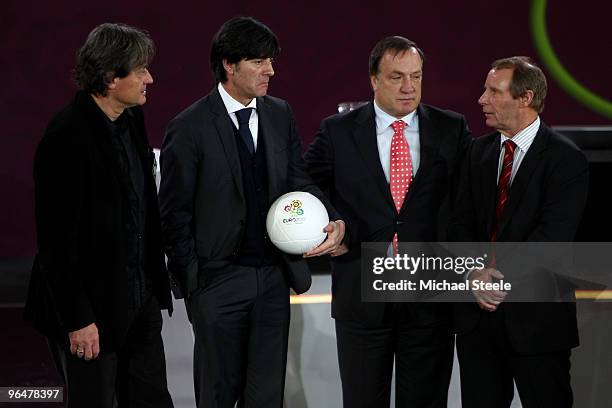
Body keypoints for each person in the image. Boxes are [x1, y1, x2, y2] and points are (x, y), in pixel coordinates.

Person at [158, 16, 344, 408]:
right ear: (229, 64)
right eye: (259, 61)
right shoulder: (189, 127)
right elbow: (174, 214)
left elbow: (299, 180)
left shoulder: (279, 114)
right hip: (217, 282)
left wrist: (331, 218)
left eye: (271, 61)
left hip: (274, 280)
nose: (270, 70)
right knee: (219, 393)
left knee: (267, 396)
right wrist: (195, 285)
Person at [304, 36, 471, 407]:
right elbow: (305, 183)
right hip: (362, 296)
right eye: (397, 77)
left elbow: (469, 201)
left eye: (416, 76)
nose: (409, 88)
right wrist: (333, 221)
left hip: (430, 299)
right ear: (373, 80)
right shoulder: (338, 131)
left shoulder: (451, 128)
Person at [24, 23, 174, 408]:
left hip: (138, 302)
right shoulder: (65, 138)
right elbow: (56, 245)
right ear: (110, 78)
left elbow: (139, 208)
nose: (150, 79)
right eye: (140, 70)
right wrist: (78, 320)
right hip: (89, 314)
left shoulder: (130, 119)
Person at [448, 56, 589, 408]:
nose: (481, 99)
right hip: (478, 326)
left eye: (493, 91)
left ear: (525, 98)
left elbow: (552, 238)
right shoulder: (476, 153)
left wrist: (496, 280)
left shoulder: (565, 159)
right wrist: (473, 273)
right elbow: (459, 223)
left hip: (537, 325)